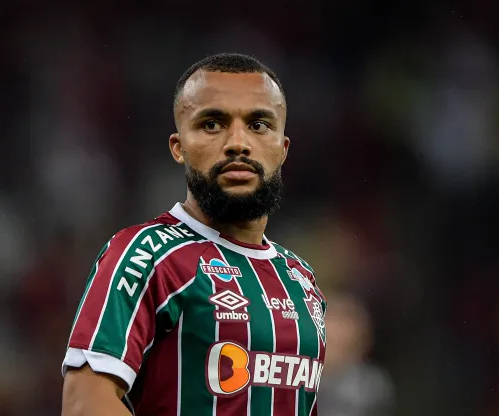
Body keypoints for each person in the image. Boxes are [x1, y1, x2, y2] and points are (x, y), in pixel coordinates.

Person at [61, 53, 327, 416]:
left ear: (283, 149)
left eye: (259, 124)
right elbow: (84, 402)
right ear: (178, 147)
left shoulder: (302, 280)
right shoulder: (145, 255)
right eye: (213, 124)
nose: (238, 143)